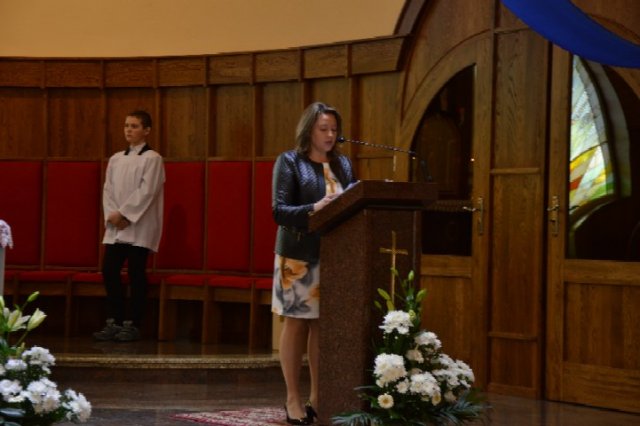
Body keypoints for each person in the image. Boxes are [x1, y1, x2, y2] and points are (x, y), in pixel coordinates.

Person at [272, 102, 356, 424]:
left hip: (335, 255)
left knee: (322, 324)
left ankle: (318, 397)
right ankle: (292, 398)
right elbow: (279, 211)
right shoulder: (290, 162)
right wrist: (314, 208)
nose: (330, 135)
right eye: (324, 129)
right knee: (297, 323)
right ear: (309, 130)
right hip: (298, 254)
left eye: (334, 129)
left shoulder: (343, 164)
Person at [93, 110, 165, 342]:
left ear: (146, 130)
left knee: (136, 272)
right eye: (126, 125)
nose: (128, 130)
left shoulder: (152, 158)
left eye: (134, 126)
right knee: (109, 270)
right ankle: (114, 320)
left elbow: (148, 191)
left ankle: (133, 323)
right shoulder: (116, 159)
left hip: (139, 225)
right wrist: (113, 215)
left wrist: (125, 214)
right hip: (116, 225)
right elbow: (108, 190)